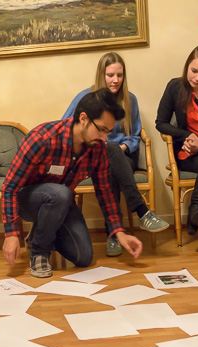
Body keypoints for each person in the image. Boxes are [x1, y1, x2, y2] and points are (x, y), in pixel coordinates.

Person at [2, 88, 143, 278]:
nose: (104, 138)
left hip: (60, 202)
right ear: (83, 119)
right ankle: (39, 251)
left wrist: (119, 231)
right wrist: (11, 234)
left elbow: (105, 192)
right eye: (101, 129)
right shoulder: (42, 139)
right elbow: (10, 187)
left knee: (83, 256)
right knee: (61, 194)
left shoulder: (97, 148)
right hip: (28, 201)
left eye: (107, 132)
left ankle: (40, 233)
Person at [62, 52, 168, 257]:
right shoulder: (86, 98)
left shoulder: (130, 100)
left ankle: (113, 233)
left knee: (111, 159)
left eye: (120, 75)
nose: (116, 80)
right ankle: (142, 212)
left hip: (123, 157)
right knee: (106, 151)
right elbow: (66, 126)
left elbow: (135, 136)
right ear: (102, 75)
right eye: (111, 75)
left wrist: (124, 148)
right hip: (91, 157)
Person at [155, 44, 198, 235]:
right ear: (187, 66)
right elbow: (161, 123)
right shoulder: (175, 87)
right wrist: (187, 136)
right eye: (194, 71)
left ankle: (196, 206)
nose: (197, 78)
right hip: (188, 151)